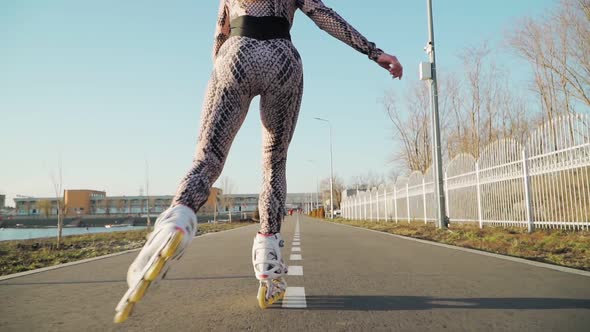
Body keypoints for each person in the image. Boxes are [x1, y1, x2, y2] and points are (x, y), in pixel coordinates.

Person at [114, 0, 402, 323]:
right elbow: (324, 17)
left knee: (208, 158)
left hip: (237, 51)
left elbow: (219, 36)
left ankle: (177, 222)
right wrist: (374, 52)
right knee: (274, 163)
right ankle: (268, 258)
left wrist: (223, 79)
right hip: (283, 59)